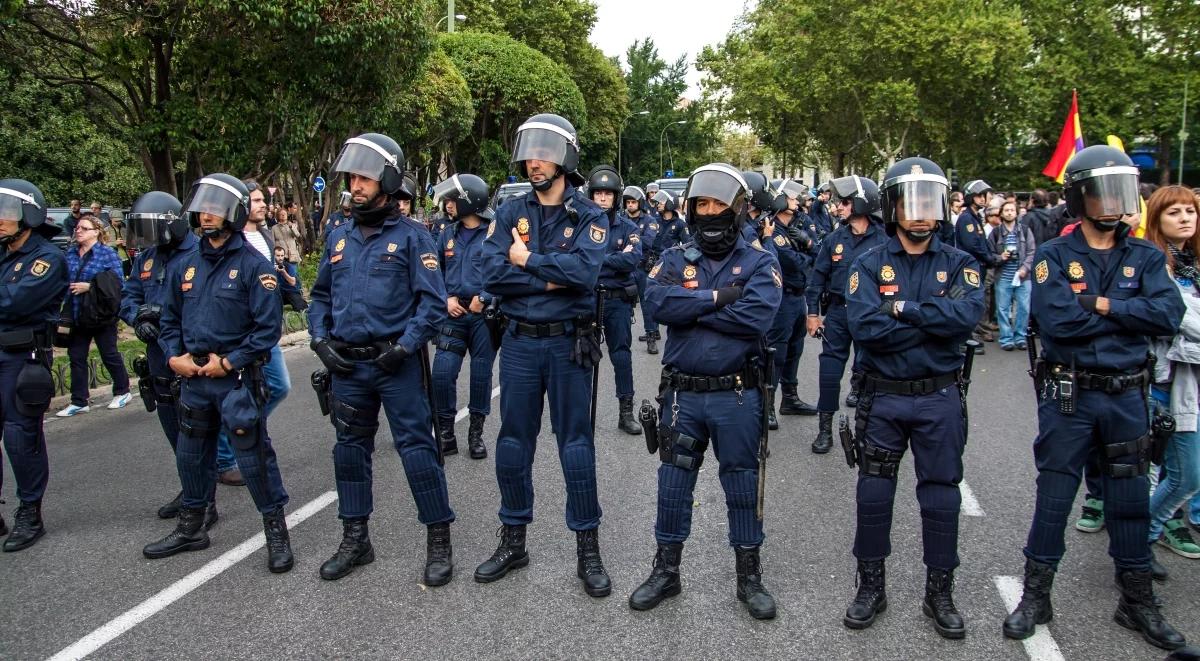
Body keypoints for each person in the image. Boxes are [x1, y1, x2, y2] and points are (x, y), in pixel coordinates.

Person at [1003, 145, 1188, 651]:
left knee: (1129, 502)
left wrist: (1102, 303)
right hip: (1072, 396)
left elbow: (1167, 315)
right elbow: (1060, 323)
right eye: (1102, 192)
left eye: (1120, 192)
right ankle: (1036, 597)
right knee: (1055, 498)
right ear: (1080, 197)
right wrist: (1129, 312)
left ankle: (1137, 601)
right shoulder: (1055, 256)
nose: (1113, 203)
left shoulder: (1147, 254)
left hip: (1128, 395)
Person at [628, 163, 781, 620]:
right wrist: (717, 299)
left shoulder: (760, 261)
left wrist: (688, 311)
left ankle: (749, 577)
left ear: (735, 209)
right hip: (683, 396)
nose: (709, 212)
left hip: (737, 395)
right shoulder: (674, 257)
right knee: (673, 485)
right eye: (701, 204)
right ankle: (666, 572)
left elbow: (756, 318)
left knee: (741, 483)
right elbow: (655, 302)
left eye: (717, 204)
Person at [841, 157, 984, 639]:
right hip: (883, 398)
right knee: (874, 493)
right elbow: (866, 328)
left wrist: (901, 309)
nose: (921, 214)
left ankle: (939, 592)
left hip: (939, 398)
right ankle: (870, 586)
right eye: (911, 203)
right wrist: (930, 322)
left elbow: (963, 322)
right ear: (893, 207)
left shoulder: (959, 263)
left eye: (929, 203)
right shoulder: (868, 263)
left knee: (941, 496)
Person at [307, 133, 455, 586]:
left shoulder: (414, 237)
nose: (355, 184)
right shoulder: (339, 237)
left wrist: (405, 347)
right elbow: (319, 298)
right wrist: (320, 342)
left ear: (387, 179)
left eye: (364, 176)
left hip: (397, 365)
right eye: (352, 176)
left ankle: (438, 540)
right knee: (349, 452)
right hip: (348, 368)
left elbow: (432, 304)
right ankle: (356, 539)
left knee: (416, 450)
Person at [477, 113, 611, 596]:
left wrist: (526, 260)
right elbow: (490, 273)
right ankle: (513, 540)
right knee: (513, 443)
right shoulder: (512, 211)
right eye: (530, 152)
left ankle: (588, 551)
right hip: (517, 342)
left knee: (575, 445)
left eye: (545, 152)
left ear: (566, 158)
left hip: (567, 343)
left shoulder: (589, 215)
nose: (534, 162)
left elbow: (585, 274)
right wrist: (550, 274)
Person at [143, 173, 294, 574]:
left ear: (232, 212)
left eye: (214, 208)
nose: (204, 215)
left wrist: (228, 362)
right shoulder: (185, 265)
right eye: (201, 207)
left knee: (254, 457)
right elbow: (169, 318)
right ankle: (192, 526)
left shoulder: (254, 267)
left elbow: (266, 331)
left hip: (236, 379)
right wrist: (174, 356)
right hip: (193, 379)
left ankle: (276, 532)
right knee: (192, 456)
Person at [119, 191, 203, 521]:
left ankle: (202, 497)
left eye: (151, 229)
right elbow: (129, 296)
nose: (147, 239)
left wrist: (166, 317)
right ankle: (190, 488)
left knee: (195, 430)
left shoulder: (198, 253)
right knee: (172, 426)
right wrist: (138, 318)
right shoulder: (147, 259)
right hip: (158, 356)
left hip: (189, 353)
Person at [0, 179, 68, 551]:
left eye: (7, 212)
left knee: (20, 435)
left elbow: (14, 303)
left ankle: (30, 511)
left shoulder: (47, 259)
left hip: (21, 358)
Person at [805, 176, 887, 453]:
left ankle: (868, 429)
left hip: (872, 313)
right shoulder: (833, 239)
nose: (839, 207)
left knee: (870, 373)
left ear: (862, 202)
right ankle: (824, 430)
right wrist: (813, 314)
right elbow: (817, 278)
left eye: (845, 202)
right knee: (829, 372)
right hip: (839, 312)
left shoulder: (886, 238)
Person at [1142, 186, 1200, 565]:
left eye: (1190, 211)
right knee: (1184, 475)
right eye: (1174, 212)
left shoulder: (1193, 265)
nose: (1185, 218)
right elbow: (1177, 320)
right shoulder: (1154, 265)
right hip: (1168, 385)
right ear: (1157, 219)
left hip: (1193, 383)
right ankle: (1140, 536)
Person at [430, 172, 497, 459]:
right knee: (442, 374)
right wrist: (446, 298)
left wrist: (484, 298)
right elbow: (432, 272)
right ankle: (445, 432)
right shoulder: (446, 233)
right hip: (453, 314)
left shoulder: (495, 233)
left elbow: (506, 272)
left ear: (469, 200)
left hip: (484, 316)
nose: (448, 205)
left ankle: (476, 434)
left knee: (481, 375)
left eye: (453, 199)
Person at [56, 212, 131, 417]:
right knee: (76, 356)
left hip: (100, 314)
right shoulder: (70, 253)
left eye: (84, 228)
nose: (78, 231)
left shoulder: (107, 254)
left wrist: (89, 286)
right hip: (77, 312)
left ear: (97, 232)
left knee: (109, 353)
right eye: (77, 228)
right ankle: (79, 400)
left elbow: (117, 285)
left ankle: (122, 391)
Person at [588, 165, 644, 436]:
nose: (602, 198)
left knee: (621, 355)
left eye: (608, 194)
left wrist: (598, 260)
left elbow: (632, 259)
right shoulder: (580, 225)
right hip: (588, 299)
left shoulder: (628, 227)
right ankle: (577, 412)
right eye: (598, 193)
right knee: (581, 355)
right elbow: (575, 262)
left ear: (616, 197)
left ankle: (626, 411)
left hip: (617, 301)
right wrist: (613, 259)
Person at [762, 184, 817, 428]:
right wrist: (807, 250)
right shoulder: (772, 229)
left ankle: (790, 398)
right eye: (792, 197)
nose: (797, 200)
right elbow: (791, 263)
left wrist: (808, 245)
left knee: (796, 348)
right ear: (780, 200)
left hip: (799, 297)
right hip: (782, 298)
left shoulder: (799, 225)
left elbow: (820, 252)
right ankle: (768, 405)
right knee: (777, 352)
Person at [640, 191, 689, 355]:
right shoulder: (653, 220)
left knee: (669, 299)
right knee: (649, 298)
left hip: (670, 266)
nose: (658, 203)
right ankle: (652, 334)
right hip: (652, 263)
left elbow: (688, 244)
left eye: (662, 201)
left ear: (670, 203)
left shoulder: (681, 224)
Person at [987, 200, 1035, 351]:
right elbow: (989, 254)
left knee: (1024, 308)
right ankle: (1006, 338)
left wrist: (1025, 269)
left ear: (1017, 213)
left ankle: (1020, 337)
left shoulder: (1025, 231)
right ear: (1001, 213)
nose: (1009, 213)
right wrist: (1001, 257)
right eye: (1006, 210)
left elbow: (1032, 252)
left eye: (1012, 210)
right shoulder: (995, 233)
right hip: (1003, 276)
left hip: (1023, 276)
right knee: (1002, 309)